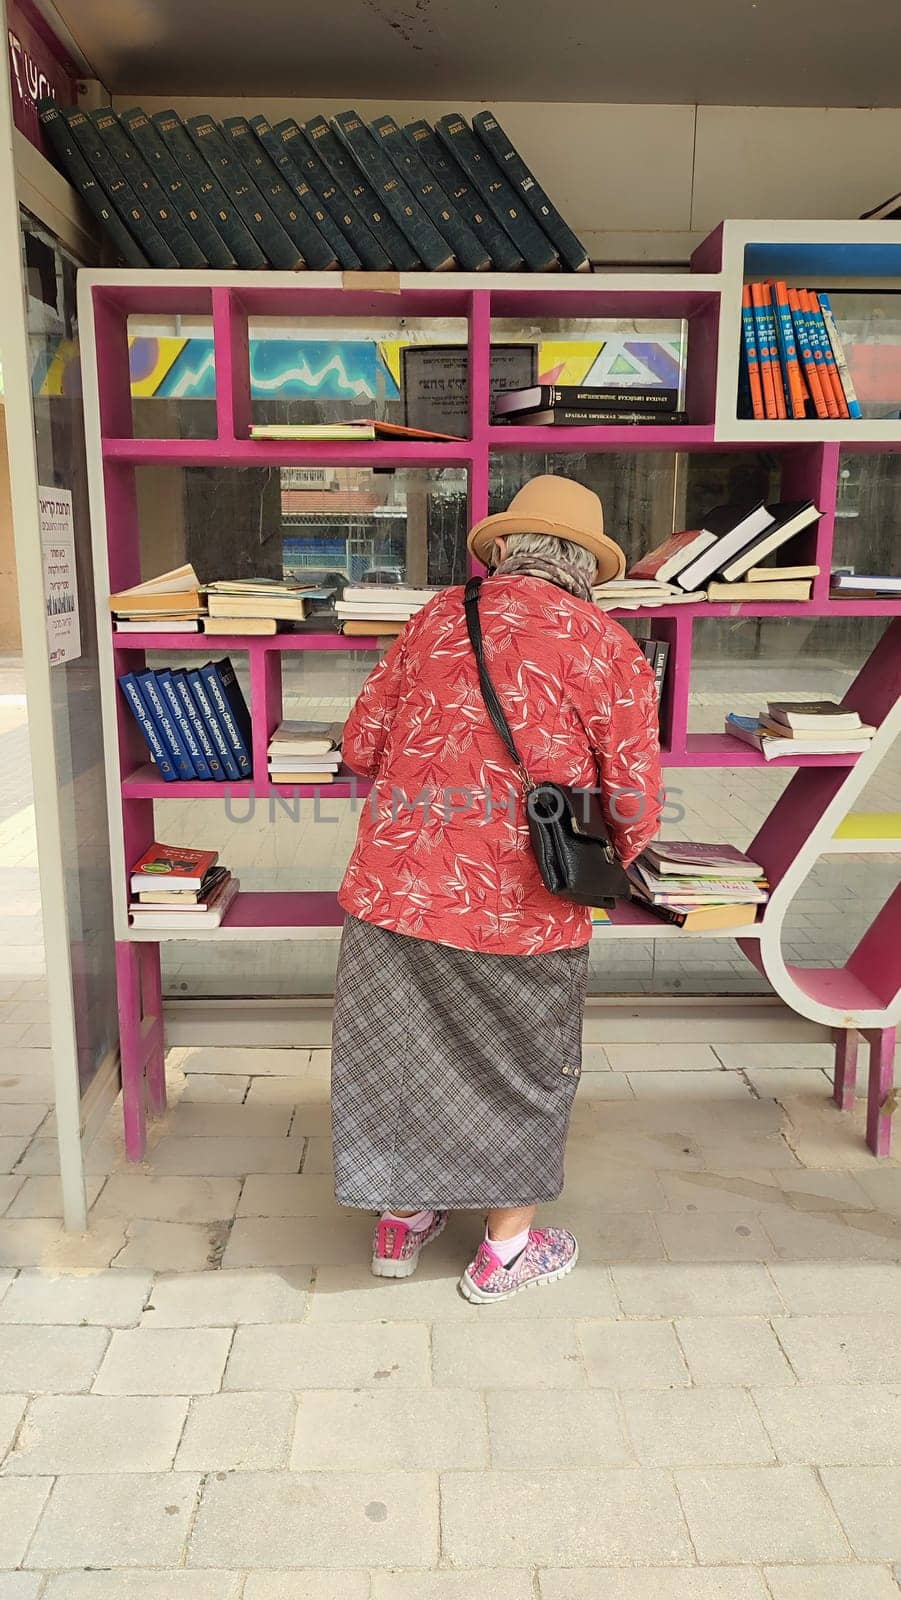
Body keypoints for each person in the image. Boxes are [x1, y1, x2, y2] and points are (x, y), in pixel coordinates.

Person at [331, 475, 663, 1302]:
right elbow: (632, 800)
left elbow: (361, 745)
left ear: (506, 549)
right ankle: (504, 1254)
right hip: (524, 903)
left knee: (399, 1055)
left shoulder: (437, 619)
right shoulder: (605, 644)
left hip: (396, 889)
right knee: (521, 1066)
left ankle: (401, 1222)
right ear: (584, 565)